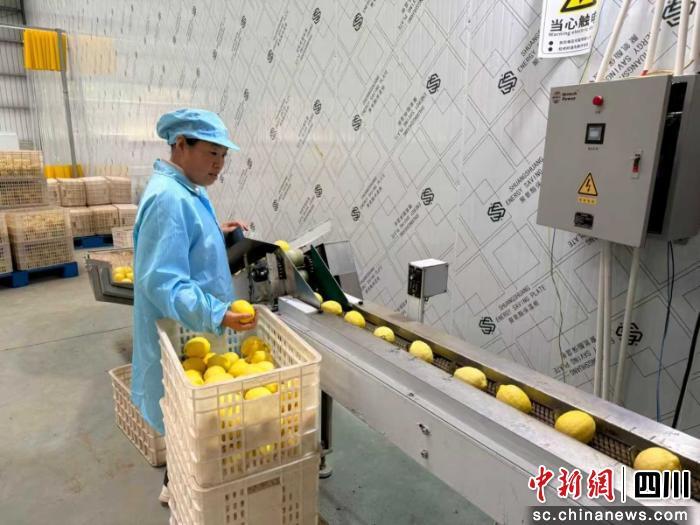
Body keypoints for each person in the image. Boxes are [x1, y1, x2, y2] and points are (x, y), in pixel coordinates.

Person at [131, 108, 256, 504]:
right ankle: (181, 492)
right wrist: (217, 313)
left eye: (223, 156)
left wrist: (216, 231)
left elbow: (183, 238)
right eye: (212, 153)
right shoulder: (168, 198)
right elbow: (164, 281)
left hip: (192, 325)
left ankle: (178, 483)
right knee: (186, 414)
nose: (218, 165)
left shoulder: (187, 189)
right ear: (181, 144)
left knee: (191, 415)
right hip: (180, 324)